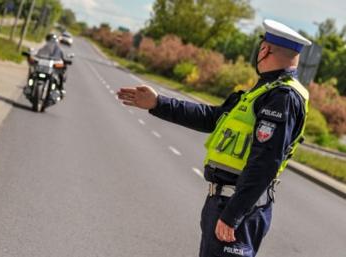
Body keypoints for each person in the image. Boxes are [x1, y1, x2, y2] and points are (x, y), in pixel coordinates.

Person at [117, 19, 311, 257]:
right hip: (223, 202)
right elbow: (212, 118)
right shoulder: (263, 91)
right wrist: (159, 103)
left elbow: (265, 162)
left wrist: (232, 215)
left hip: (238, 207)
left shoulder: (282, 97)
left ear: (265, 50)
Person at [37, 33, 67, 98]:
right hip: (45, 66)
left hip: (54, 67)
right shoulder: (45, 47)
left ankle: (61, 88)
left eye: (53, 39)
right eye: (51, 39)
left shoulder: (58, 48)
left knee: (61, 73)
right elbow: (39, 53)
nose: (52, 41)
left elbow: (62, 58)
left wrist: (63, 62)